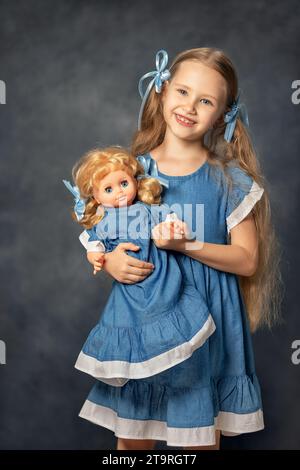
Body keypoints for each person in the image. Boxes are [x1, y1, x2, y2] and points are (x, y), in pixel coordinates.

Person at [77, 48, 283, 450]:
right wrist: (112, 261)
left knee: (198, 441)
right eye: (183, 92)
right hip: (147, 324)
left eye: (205, 101)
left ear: (223, 114)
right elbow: (105, 235)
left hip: (209, 327)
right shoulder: (129, 173)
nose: (190, 107)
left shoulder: (230, 179)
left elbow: (247, 259)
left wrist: (187, 244)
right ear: (163, 91)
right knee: (133, 443)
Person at [63, 146, 216, 387]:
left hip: (161, 278)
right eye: (109, 189)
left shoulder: (146, 209)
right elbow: (93, 244)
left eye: (124, 183)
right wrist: (96, 257)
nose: (119, 193)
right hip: (131, 288)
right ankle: (141, 363)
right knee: (129, 322)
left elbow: (170, 220)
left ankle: (171, 355)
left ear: (135, 181)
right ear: (95, 197)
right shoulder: (103, 220)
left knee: (168, 310)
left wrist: (176, 229)